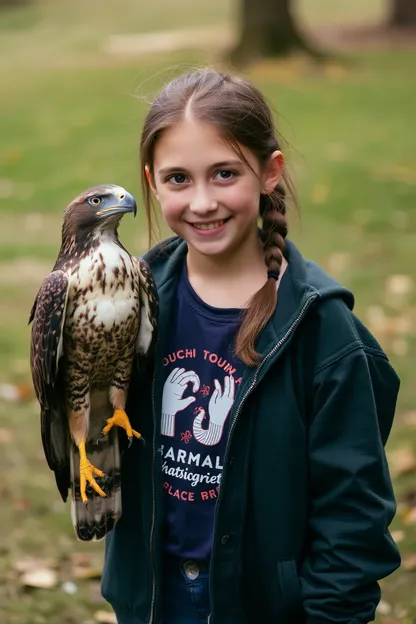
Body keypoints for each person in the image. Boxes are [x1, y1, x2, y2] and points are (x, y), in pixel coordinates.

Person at [101, 68, 401, 624]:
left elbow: (353, 516)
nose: (202, 201)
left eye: (224, 173)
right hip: (153, 599)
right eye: (177, 179)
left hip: (264, 606)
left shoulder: (320, 329)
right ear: (151, 182)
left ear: (269, 172)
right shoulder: (131, 302)